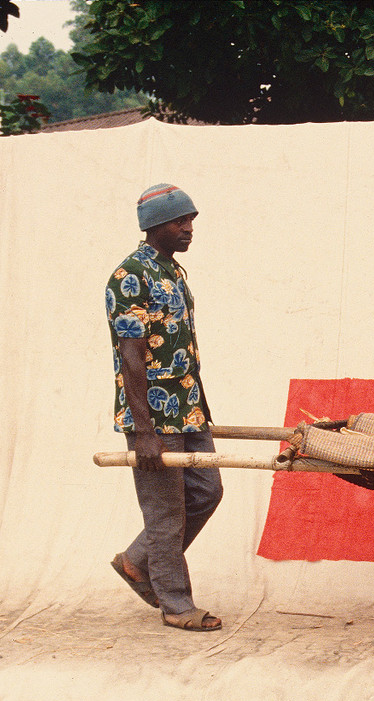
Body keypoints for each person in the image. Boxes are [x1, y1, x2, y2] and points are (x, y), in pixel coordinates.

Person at [105, 184, 224, 632]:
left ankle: (137, 562)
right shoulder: (130, 275)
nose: (189, 229)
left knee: (207, 492)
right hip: (153, 416)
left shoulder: (173, 272)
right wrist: (144, 430)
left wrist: (199, 406)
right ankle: (176, 604)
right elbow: (131, 356)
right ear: (154, 226)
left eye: (191, 219)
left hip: (190, 408)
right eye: (180, 221)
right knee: (165, 512)